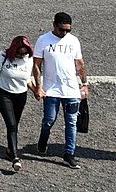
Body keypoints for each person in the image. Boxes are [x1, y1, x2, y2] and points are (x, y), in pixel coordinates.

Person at [34, 11, 88, 168]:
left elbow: (80, 64)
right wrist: (38, 86)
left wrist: (84, 84)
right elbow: (37, 65)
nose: (64, 33)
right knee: (49, 120)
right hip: (51, 90)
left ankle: (69, 153)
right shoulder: (43, 40)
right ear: (54, 25)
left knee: (72, 122)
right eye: (61, 30)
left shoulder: (73, 41)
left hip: (71, 89)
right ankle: (43, 138)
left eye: (68, 30)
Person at [0, 35, 37, 173]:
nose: (22, 56)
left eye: (25, 53)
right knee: (11, 124)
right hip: (4, 93)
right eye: (19, 53)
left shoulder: (28, 59)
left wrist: (35, 91)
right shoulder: (2, 56)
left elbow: (27, 79)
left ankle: (9, 149)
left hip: (21, 94)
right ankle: (15, 157)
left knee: (15, 123)